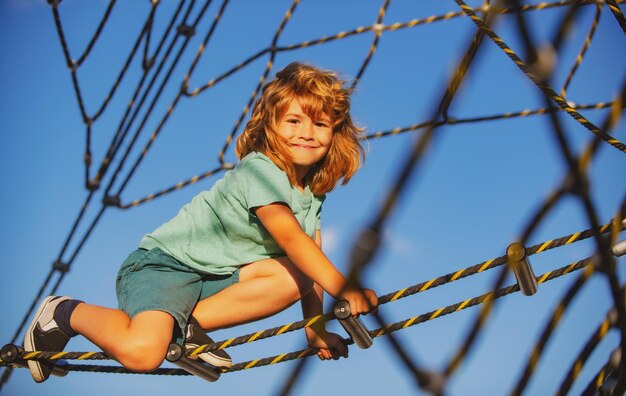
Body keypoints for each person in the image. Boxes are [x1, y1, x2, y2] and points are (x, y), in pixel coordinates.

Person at [25, 61, 379, 383]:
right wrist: (345, 287)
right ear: (270, 125)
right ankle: (65, 312)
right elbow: (289, 238)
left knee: (299, 274)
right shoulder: (259, 169)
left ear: (335, 132)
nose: (306, 132)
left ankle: (186, 327)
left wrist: (314, 330)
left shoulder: (311, 193)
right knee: (144, 353)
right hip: (164, 266)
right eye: (293, 121)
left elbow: (309, 261)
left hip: (215, 279)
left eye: (319, 124)